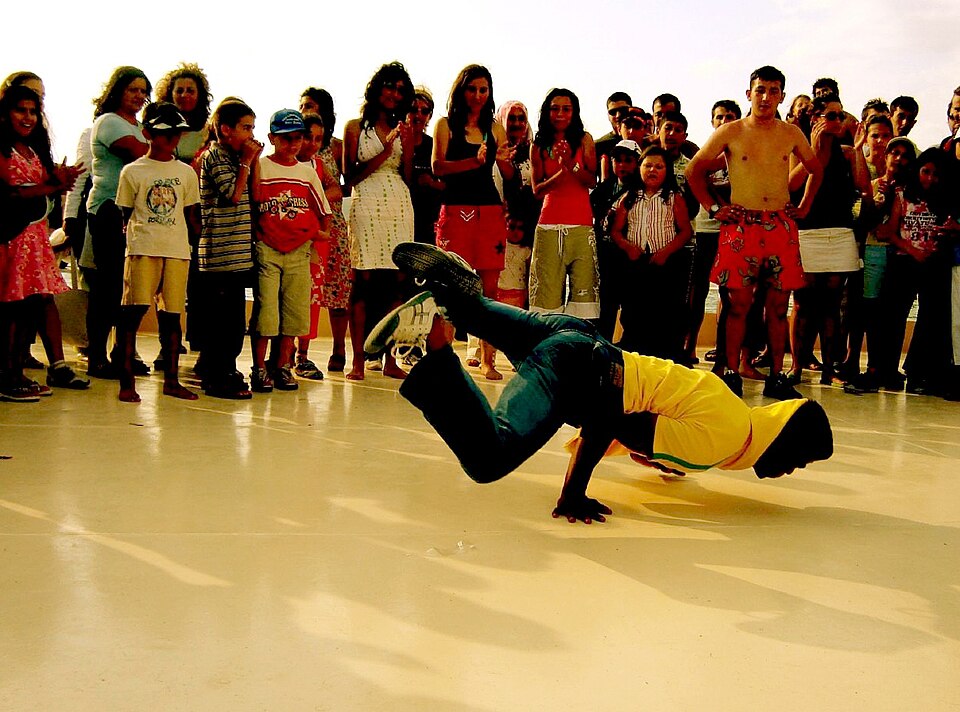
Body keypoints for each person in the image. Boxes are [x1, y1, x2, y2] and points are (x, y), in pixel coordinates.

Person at [366, 243, 834, 523]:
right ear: (784, 438)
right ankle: (433, 347)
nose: (793, 470)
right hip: (580, 371)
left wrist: (664, 455)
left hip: (581, 339)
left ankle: (453, 288)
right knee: (489, 457)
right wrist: (573, 492)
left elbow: (659, 404)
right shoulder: (725, 441)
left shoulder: (732, 409)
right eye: (800, 458)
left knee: (475, 312)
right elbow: (610, 417)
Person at [685, 65, 823, 401]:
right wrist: (714, 208)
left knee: (777, 307)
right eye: (760, 90)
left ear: (782, 96)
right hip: (741, 225)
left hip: (780, 225)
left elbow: (815, 169)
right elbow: (693, 170)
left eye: (773, 91)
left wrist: (804, 207)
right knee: (737, 305)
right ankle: (731, 371)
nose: (765, 97)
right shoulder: (731, 131)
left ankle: (776, 375)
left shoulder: (790, 133)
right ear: (749, 94)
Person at [0, 85, 85, 401]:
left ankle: (15, 371)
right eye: (20, 110)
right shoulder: (3, 150)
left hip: (35, 240)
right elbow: (8, 194)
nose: (28, 117)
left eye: (33, 111)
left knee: (30, 307)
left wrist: (59, 181)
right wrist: (49, 187)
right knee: (11, 309)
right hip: (12, 239)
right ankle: (7, 377)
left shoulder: (33, 150)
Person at [113, 102, 201, 402]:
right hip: (143, 249)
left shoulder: (186, 173)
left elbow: (191, 214)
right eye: (165, 133)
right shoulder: (132, 171)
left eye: (177, 133)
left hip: (177, 251)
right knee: (132, 312)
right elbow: (125, 213)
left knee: (172, 316)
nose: (172, 138)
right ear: (149, 133)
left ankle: (172, 380)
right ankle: (126, 380)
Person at [432, 64, 513, 380]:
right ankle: (444, 360)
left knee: (489, 289)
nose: (478, 95)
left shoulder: (495, 129)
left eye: (483, 90)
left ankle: (488, 359)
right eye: (472, 89)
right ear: (461, 90)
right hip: (455, 211)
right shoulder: (445, 125)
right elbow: (438, 167)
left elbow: (507, 174)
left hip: (489, 211)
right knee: (450, 286)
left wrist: (504, 161)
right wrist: (473, 161)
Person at [788, 93, 870, 386]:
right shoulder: (799, 149)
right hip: (808, 233)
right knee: (803, 304)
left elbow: (863, 186)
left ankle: (829, 369)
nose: (838, 121)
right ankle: (796, 367)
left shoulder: (847, 152)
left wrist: (858, 150)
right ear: (816, 118)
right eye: (832, 115)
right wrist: (813, 150)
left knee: (831, 305)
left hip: (840, 233)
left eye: (840, 115)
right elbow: (792, 184)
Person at [342, 62, 415, 381]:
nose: (393, 93)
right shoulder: (355, 127)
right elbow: (350, 176)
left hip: (399, 203)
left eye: (400, 89)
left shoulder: (405, 128)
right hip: (366, 201)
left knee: (396, 282)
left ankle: (390, 359)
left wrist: (407, 146)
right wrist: (385, 152)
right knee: (364, 279)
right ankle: (358, 359)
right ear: (376, 88)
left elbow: (407, 175)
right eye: (389, 86)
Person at [250, 109, 331, 393]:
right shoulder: (262, 167)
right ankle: (259, 367)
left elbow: (323, 210)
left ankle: (282, 365)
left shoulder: (306, 173)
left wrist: (316, 234)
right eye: (286, 138)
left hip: (298, 252)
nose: (293, 144)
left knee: (294, 312)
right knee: (266, 313)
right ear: (272, 138)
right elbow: (254, 203)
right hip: (268, 249)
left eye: (298, 138)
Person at [84, 66, 152, 379]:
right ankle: (97, 356)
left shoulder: (141, 127)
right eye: (132, 89)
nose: (138, 96)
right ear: (118, 91)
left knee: (130, 287)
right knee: (107, 287)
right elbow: (139, 153)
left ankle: (121, 352)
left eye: (143, 91)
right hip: (109, 209)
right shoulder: (109, 121)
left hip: (135, 214)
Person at [876, 148, 957, 395]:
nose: (930, 178)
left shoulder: (946, 199)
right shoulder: (902, 194)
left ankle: (918, 373)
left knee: (931, 320)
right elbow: (889, 232)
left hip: (935, 264)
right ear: (917, 170)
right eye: (926, 172)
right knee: (894, 317)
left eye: (936, 174)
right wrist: (911, 249)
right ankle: (887, 370)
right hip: (904, 262)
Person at [195, 98, 262, 399]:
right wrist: (246, 162)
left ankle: (227, 368)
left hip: (237, 255)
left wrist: (251, 161)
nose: (250, 135)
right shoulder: (215, 157)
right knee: (221, 323)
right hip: (219, 255)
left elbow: (254, 195)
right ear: (226, 129)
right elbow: (232, 195)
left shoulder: (236, 158)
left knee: (234, 322)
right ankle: (216, 376)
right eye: (245, 128)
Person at [608, 145, 693, 361]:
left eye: (659, 167)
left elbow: (685, 232)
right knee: (634, 310)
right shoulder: (628, 197)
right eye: (648, 166)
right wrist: (628, 247)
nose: (652, 170)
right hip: (636, 262)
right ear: (639, 168)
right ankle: (635, 354)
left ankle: (666, 355)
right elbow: (615, 231)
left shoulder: (673, 197)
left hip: (664, 262)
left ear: (667, 171)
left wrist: (666, 252)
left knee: (664, 311)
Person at [529, 88, 599, 320]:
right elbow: (537, 190)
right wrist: (561, 173)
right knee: (546, 300)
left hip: (581, 225)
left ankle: (579, 340)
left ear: (574, 112)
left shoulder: (584, 139)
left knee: (584, 296)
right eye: (555, 108)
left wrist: (571, 164)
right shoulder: (538, 145)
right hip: (549, 226)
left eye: (566, 109)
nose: (560, 114)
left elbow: (592, 180)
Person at [299, 87, 351, 374]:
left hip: (332, 224)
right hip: (301, 226)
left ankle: (339, 349)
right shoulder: (291, 148)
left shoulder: (336, 148)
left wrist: (317, 197)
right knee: (304, 290)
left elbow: (343, 186)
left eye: (311, 105)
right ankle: (298, 353)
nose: (306, 110)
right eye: (303, 106)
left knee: (337, 289)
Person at [687, 100, 740, 366]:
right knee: (696, 292)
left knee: (729, 295)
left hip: (732, 232)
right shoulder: (703, 154)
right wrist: (716, 205)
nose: (724, 121)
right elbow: (693, 176)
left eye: (729, 117)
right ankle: (689, 347)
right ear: (712, 121)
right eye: (719, 117)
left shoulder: (743, 154)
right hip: (705, 231)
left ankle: (724, 352)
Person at [292, 112, 337, 380]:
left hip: (314, 242)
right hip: (286, 239)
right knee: (288, 295)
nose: (312, 144)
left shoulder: (317, 165)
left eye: (318, 139)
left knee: (311, 298)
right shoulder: (279, 164)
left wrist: (314, 196)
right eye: (308, 137)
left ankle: (302, 355)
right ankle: (282, 354)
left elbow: (335, 189)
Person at [494, 100, 538, 311]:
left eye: (522, 119)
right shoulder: (492, 149)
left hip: (527, 228)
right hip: (499, 225)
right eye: (511, 118)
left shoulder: (532, 151)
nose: (517, 123)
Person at [407, 87, 445, 245]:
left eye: (424, 111)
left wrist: (431, 183)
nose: (418, 115)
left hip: (430, 221)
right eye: (413, 110)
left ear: (430, 116)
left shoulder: (434, 145)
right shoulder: (394, 143)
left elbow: (451, 185)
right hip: (401, 214)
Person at [153, 63, 212, 164]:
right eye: (179, 91)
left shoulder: (208, 133)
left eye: (190, 91)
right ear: (170, 95)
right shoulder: (157, 130)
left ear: (200, 95)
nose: (184, 95)